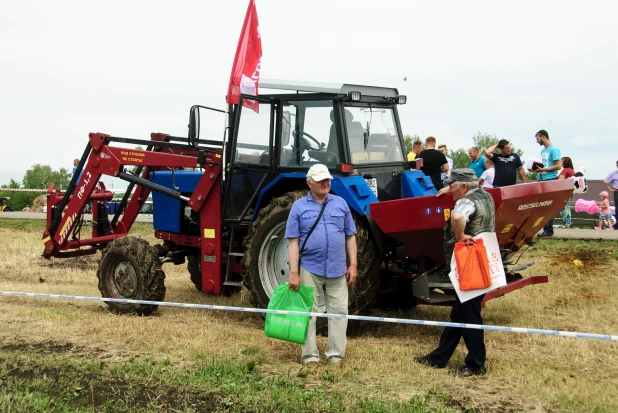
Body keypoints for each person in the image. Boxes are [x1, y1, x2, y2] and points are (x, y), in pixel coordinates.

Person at [415, 169, 495, 377]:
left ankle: (476, 364)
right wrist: (447, 190)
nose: (450, 189)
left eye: (452, 186)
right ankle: (439, 357)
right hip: (482, 260)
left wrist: (460, 236)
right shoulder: (485, 196)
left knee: (469, 314)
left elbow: (458, 216)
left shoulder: (465, 202)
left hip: (468, 262)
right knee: (460, 312)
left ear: (463, 187)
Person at [285, 164, 358, 367]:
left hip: (337, 269)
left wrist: (353, 264)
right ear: (309, 183)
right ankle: (310, 357)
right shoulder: (299, 207)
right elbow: (292, 242)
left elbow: (350, 236)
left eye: (327, 179)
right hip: (310, 268)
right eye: (320, 180)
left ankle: (335, 356)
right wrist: (294, 272)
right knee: (308, 314)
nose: (326, 183)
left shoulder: (341, 204)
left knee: (339, 312)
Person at [533, 130, 562, 238]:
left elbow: (558, 166)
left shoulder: (554, 149)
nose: (537, 141)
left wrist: (545, 169)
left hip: (550, 179)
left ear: (543, 137)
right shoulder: (543, 151)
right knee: (541, 205)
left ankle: (548, 229)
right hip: (542, 178)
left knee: (547, 205)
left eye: (538, 138)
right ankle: (545, 228)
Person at [557, 157, 575, 228]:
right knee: (566, 207)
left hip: (565, 192)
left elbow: (560, 181)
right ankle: (567, 223)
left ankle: (567, 223)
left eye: (562, 161)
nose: (560, 163)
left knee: (564, 207)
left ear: (565, 162)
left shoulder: (565, 170)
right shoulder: (572, 171)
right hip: (570, 191)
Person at [603, 160, 618, 229]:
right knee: (617, 208)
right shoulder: (613, 174)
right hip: (617, 191)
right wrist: (610, 189)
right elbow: (605, 181)